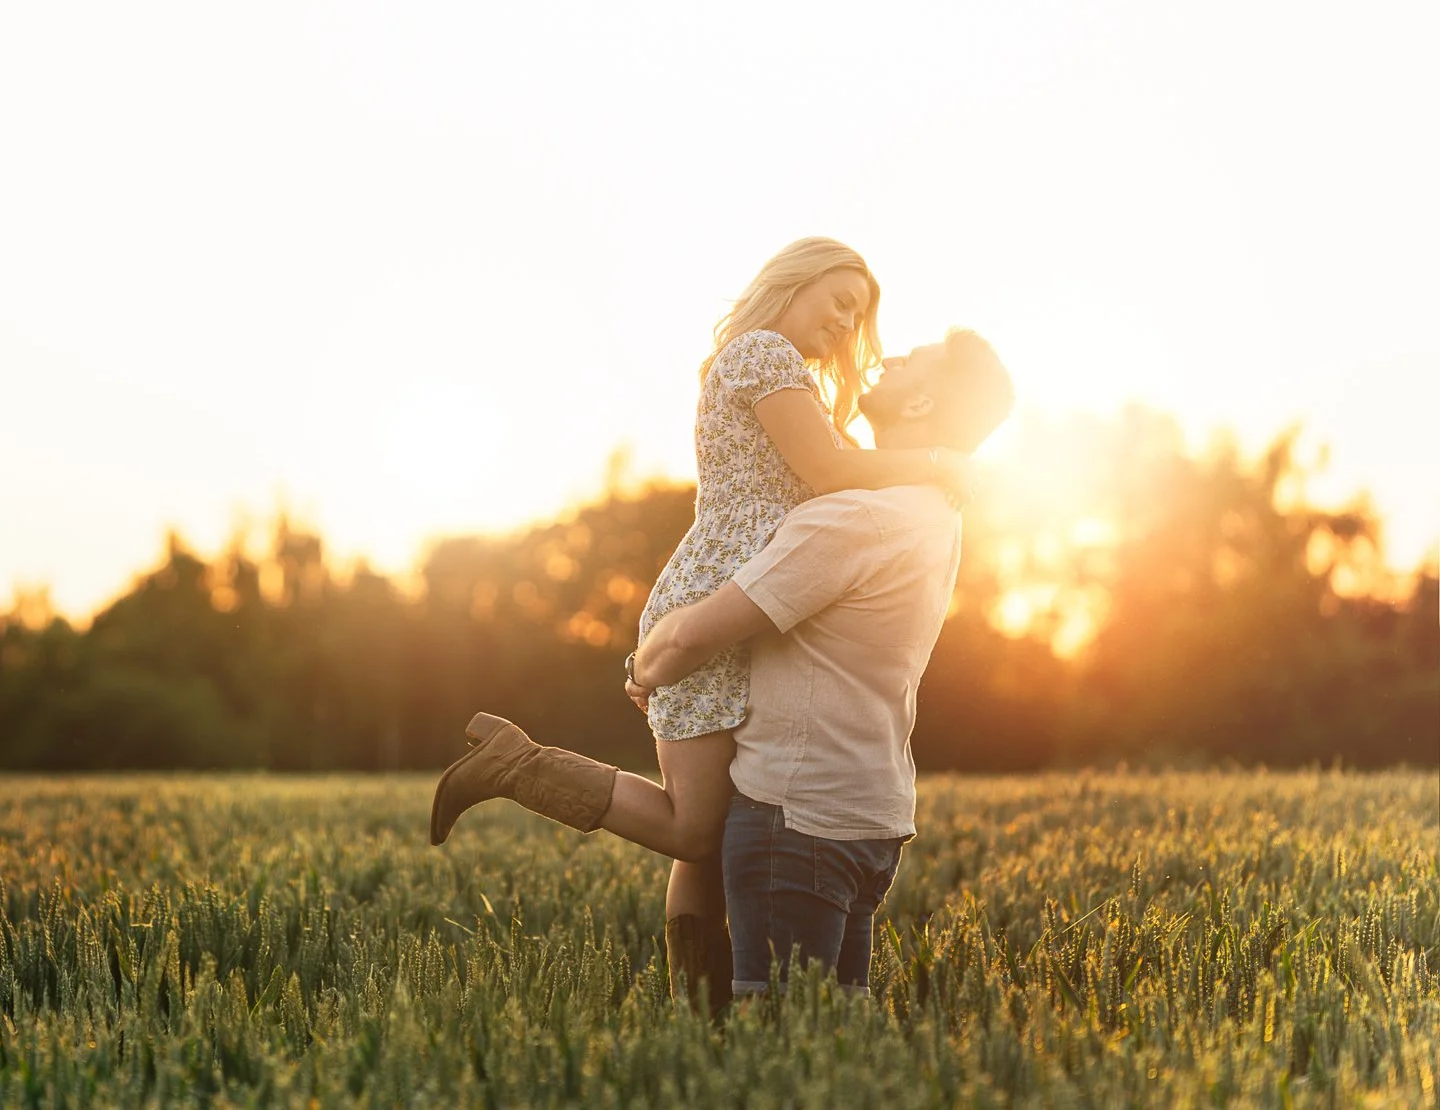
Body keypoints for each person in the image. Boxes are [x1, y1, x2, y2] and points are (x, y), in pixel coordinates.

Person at [429, 237, 977, 1010]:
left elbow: (839, 470)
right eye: (839, 300)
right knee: (696, 832)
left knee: (710, 838)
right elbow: (827, 472)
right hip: (713, 604)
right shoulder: (761, 355)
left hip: (742, 608)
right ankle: (520, 767)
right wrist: (934, 462)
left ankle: (703, 1019)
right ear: (794, 281)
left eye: (858, 314)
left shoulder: (794, 385)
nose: (847, 323)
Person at [628, 329, 1015, 998]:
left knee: (776, 1043)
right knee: (831, 1043)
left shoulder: (853, 519)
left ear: (921, 404)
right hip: (871, 817)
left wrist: (645, 666)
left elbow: (696, 634)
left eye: (909, 360)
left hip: (795, 817)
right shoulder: (932, 514)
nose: (887, 356)